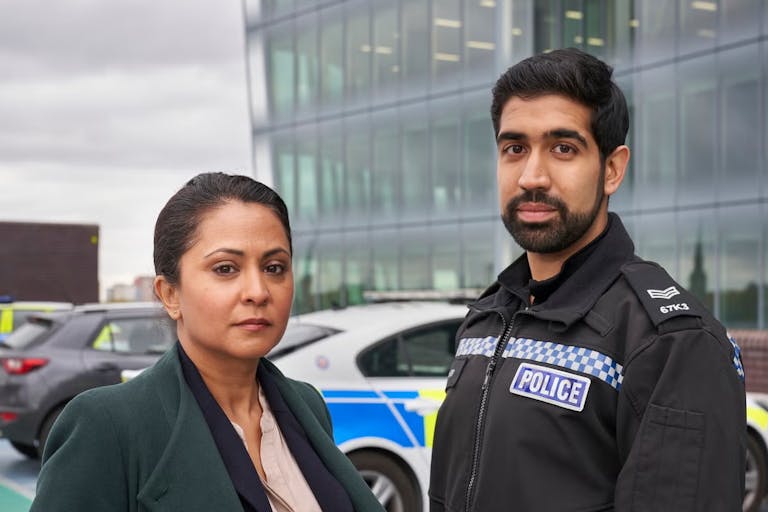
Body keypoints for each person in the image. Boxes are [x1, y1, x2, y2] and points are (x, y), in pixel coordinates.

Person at [429, 48, 746, 511]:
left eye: (563, 149)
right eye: (514, 148)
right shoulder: (487, 319)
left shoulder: (671, 344)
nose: (531, 177)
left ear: (612, 169)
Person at [31, 172, 385, 512]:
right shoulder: (107, 425)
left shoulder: (306, 404)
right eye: (226, 268)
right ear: (170, 294)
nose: (258, 292)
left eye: (274, 267)